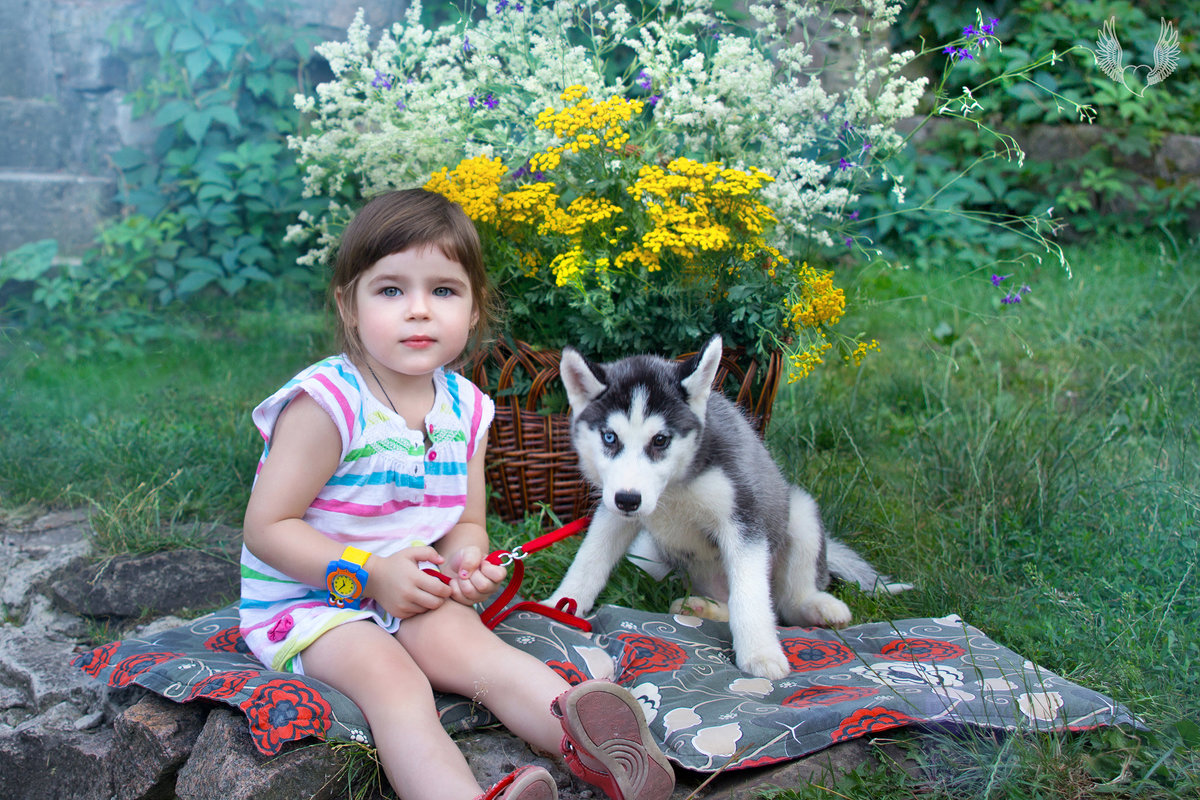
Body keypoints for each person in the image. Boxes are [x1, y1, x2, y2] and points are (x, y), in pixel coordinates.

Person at [238, 189, 675, 800]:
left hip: (411, 587)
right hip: (313, 602)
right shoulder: (327, 404)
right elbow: (268, 528)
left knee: (480, 655)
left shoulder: (467, 410)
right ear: (348, 304)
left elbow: (465, 521)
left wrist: (468, 560)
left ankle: (595, 744)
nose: (419, 311)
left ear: (473, 310)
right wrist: (370, 574)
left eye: (443, 290)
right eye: (391, 290)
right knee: (396, 686)